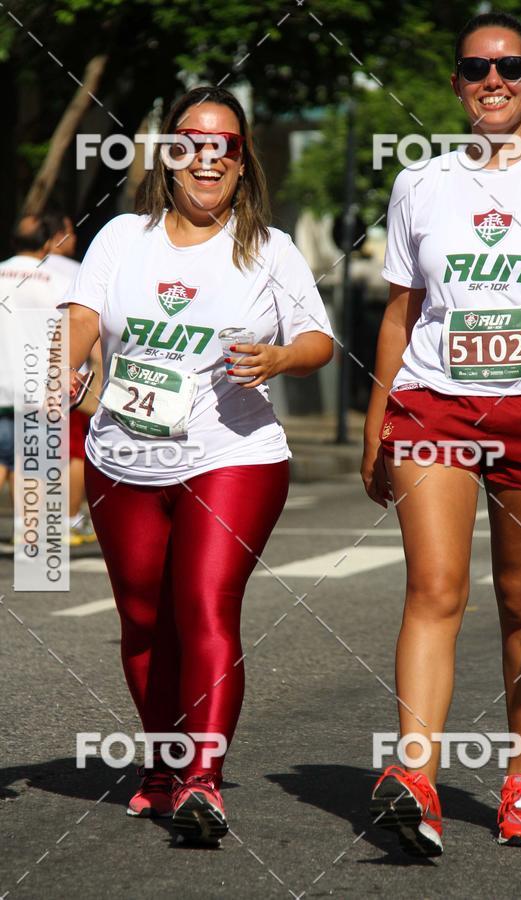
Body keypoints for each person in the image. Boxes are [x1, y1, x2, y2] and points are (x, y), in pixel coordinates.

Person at [61, 85, 333, 843]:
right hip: (124, 454)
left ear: (244, 165)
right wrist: (68, 365)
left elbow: (319, 341)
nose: (208, 157)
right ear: (166, 155)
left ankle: (203, 782)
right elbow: (83, 316)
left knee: (205, 605)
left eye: (227, 146)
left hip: (233, 455)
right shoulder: (121, 238)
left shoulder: (270, 250)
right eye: (191, 142)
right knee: (144, 621)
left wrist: (278, 356)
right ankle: (161, 766)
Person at [362, 11, 521, 855]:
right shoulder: (420, 183)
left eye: (510, 67)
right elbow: (401, 311)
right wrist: (376, 419)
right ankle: (415, 778)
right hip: (435, 403)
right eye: (475, 69)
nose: (492, 81)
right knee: (434, 591)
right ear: (457, 84)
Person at [0, 214, 71, 505]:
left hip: (1, 388)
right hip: (39, 391)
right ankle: (29, 543)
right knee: (33, 470)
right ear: (46, 244)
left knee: (3, 462)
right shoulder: (61, 280)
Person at [45, 211, 99, 545]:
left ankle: (32, 525)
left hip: (16, 380)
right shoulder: (77, 271)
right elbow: (88, 322)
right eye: (69, 231)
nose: (74, 238)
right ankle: (70, 519)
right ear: (53, 236)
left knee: (19, 455)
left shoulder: (6, 269)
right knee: (74, 452)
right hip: (69, 378)